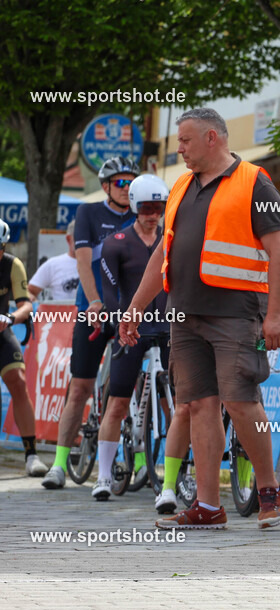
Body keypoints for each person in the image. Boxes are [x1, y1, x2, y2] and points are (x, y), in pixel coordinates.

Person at [119, 107, 280, 530]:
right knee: (197, 405)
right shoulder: (180, 185)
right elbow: (163, 252)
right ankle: (209, 507)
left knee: (239, 400)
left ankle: (269, 491)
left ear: (212, 138)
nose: (180, 149)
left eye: (186, 141)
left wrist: (275, 317)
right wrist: (136, 306)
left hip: (236, 312)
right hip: (185, 315)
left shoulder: (255, 182)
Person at [90, 175, 188, 514]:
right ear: (133, 205)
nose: (152, 214)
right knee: (117, 402)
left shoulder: (170, 239)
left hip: (168, 327)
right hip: (131, 328)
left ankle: (176, 476)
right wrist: (120, 324)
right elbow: (110, 294)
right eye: (146, 207)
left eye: (159, 208)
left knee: (175, 405)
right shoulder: (116, 243)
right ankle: (103, 475)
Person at [43, 156, 138, 489]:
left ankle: (138, 462)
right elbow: (84, 263)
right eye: (121, 183)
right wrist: (95, 302)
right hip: (93, 310)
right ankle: (57, 464)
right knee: (80, 387)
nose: (127, 189)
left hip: (130, 312)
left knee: (134, 388)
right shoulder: (88, 213)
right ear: (106, 186)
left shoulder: (144, 214)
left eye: (131, 182)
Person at [0, 219, 48, 476]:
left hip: (1, 330)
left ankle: (31, 455)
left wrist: (10, 318)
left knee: (18, 381)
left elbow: (26, 305)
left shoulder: (11, 264)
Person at [28, 221, 80, 302]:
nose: (85, 242)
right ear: (69, 239)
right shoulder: (53, 264)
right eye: (81, 238)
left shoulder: (99, 263)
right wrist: (38, 306)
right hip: (62, 313)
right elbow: (29, 291)